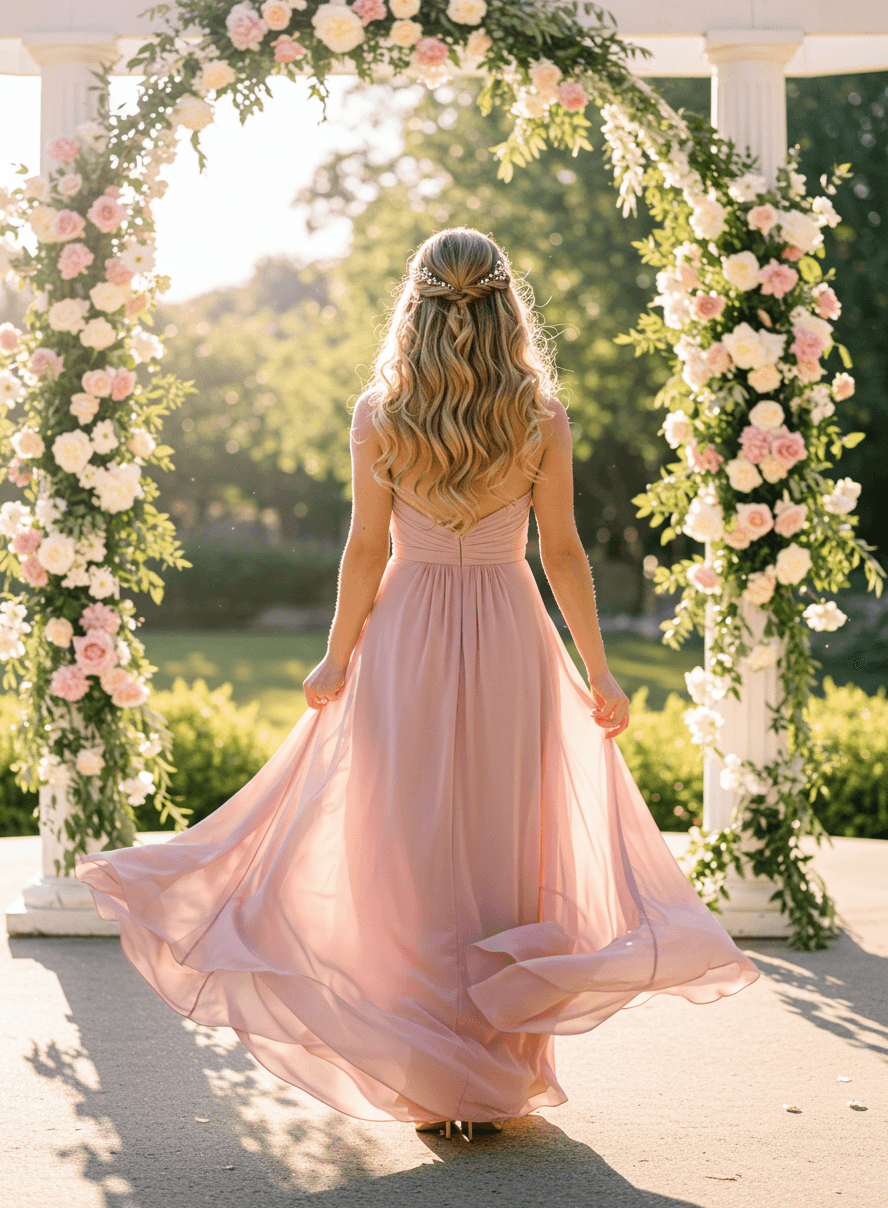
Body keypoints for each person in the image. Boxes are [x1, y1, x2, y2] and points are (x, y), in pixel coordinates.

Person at [76, 227, 760, 1143]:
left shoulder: (382, 411)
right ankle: (492, 1077)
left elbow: (367, 549)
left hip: (406, 634)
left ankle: (434, 1077)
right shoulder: (539, 415)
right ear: (507, 303)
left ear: (417, 301)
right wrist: (597, 668)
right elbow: (561, 553)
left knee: (404, 844)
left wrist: (337, 653)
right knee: (502, 845)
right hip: (512, 632)